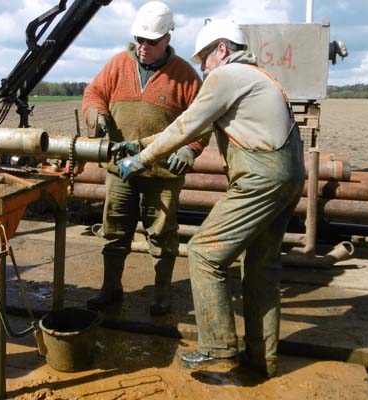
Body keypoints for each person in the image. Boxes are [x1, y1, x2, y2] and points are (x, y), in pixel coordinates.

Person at [113, 20, 305, 377]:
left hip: (261, 178)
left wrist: (140, 159)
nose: (202, 67)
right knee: (262, 268)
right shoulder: (259, 77)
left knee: (203, 251)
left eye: (204, 57)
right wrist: (139, 144)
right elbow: (193, 124)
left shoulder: (227, 76)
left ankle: (218, 348)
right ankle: (263, 359)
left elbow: (186, 125)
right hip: (289, 175)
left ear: (222, 48)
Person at [82, 1, 210, 316]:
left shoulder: (185, 75)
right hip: (120, 169)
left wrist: (188, 149)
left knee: (162, 234)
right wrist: (96, 113)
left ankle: (162, 295)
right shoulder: (117, 65)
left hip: (162, 172)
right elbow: (93, 93)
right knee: (114, 230)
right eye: (139, 39)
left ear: (168, 37)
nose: (143, 47)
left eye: (151, 41)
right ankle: (110, 288)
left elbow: (203, 119)